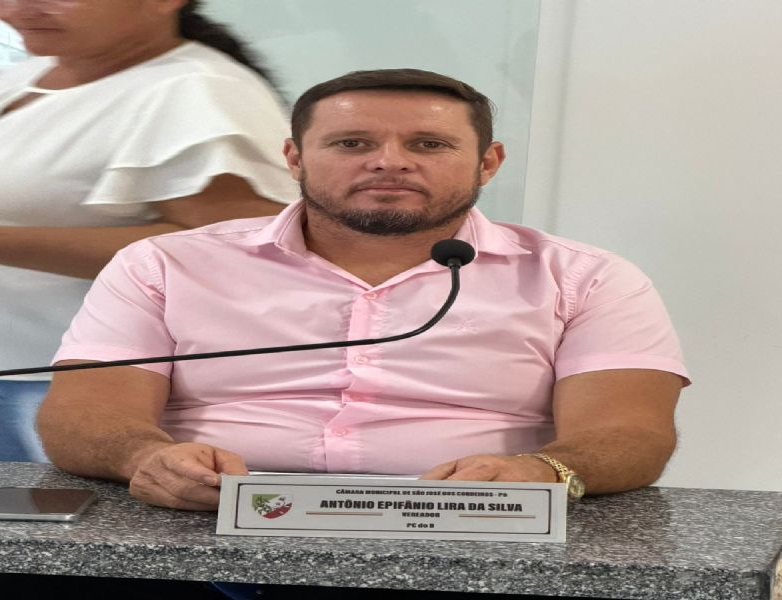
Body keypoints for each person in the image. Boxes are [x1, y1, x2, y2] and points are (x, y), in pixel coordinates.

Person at [38, 68, 688, 510]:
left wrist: (543, 471)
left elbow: (631, 433)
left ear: (487, 163)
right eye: (352, 143)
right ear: (294, 158)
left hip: (471, 528)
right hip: (202, 523)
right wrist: (145, 458)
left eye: (429, 144)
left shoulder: (585, 277)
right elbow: (81, 415)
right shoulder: (164, 264)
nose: (389, 161)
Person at [0, 0, 300, 462]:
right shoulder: (29, 75)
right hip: (6, 368)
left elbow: (236, 248)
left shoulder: (196, 91)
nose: (16, 10)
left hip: (75, 389)